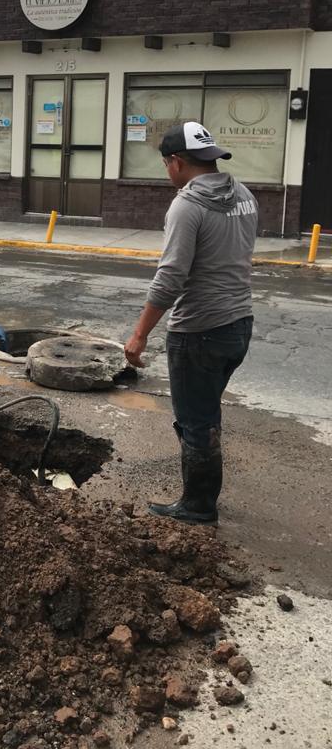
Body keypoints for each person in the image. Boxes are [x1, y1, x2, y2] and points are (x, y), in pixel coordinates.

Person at [124, 122, 258, 525]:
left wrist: (139, 335)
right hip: (239, 324)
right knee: (206, 412)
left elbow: (170, 278)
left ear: (176, 162)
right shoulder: (244, 195)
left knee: (196, 421)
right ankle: (202, 493)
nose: (167, 172)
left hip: (199, 331)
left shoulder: (187, 206)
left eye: (166, 165)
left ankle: (198, 506)